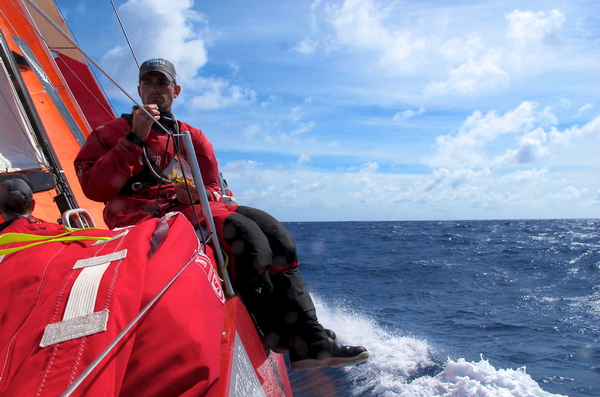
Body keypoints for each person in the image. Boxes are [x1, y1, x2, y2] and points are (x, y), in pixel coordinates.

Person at [74, 58, 368, 369]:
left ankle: (312, 339)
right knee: (247, 239)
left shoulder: (191, 136)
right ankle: (278, 332)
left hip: (194, 207)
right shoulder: (110, 133)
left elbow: (214, 186)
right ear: (138, 89)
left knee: (277, 236)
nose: (156, 89)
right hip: (143, 218)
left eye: (163, 84)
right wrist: (134, 137)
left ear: (176, 91)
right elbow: (95, 189)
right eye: (149, 83)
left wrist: (198, 192)